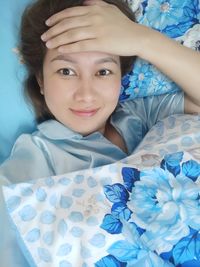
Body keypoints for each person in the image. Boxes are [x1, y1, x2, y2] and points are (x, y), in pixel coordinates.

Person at [0, 0, 199, 266]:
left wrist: (142, 40)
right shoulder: (38, 156)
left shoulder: (139, 116)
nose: (86, 94)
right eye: (66, 71)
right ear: (41, 81)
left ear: (121, 77)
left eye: (103, 71)